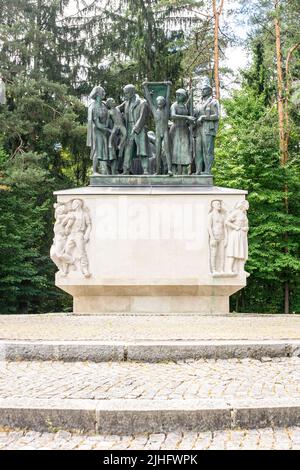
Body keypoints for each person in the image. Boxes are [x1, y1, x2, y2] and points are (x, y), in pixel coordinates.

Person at [143, 82, 173, 176]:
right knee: (158, 152)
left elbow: (168, 97)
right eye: (158, 102)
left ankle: (169, 169)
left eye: (161, 102)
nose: (159, 103)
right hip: (157, 133)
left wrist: (168, 86)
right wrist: (145, 87)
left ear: (164, 103)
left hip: (165, 132)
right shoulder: (154, 110)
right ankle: (157, 171)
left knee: (167, 151)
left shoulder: (166, 110)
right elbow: (149, 99)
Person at [121, 84, 150, 175]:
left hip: (139, 129)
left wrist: (136, 128)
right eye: (124, 93)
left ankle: (145, 170)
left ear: (133, 92)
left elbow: (142, 117)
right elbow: (117, 108)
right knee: (128, 149)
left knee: (142, 150)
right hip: (128, 128)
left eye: (126, 93)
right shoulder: (126, 103)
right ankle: (126, 170)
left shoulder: (142, 102)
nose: (125, 95)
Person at [194, 77, 220, 175]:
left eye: (204, 89)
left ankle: (208, 170)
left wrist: (204, 117)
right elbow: (195, 113)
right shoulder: (198, 103)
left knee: (207, 150)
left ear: (209, 90)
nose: (202, 91)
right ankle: (198, 170)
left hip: (208, 129)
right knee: (198, 150)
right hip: (198, 129)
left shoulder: (213, 102)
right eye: (201, 89)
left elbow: (216, 116)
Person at [87, 85, 113, 175]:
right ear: (98, 94)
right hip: (97, 131)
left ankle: (104, 171)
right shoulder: (93, 107)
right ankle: (94, 171)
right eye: (103, 92)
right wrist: (109, 130)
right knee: (97, 150)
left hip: (104, 131)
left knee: (104, 151)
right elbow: (97, 124)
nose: (104, 94)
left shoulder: (104, 105)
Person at [170, 88, 195, 175]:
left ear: (184, 97)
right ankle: (175, 170)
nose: (177, 97)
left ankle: (184, 170)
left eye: (179, 95)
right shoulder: (174, 105)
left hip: (184, 130)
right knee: (175, 150)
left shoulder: (185, 106)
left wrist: (190, 121)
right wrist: (187, 117)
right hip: (176, 130)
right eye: (176, 95)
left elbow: (188, 118)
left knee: (185, 150)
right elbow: (173, 116)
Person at [64, 200, 92, 278]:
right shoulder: (71, 214)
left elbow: (89, 225)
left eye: (74, 204)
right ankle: (65, 269)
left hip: (79, 234)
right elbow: (63, 222)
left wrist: (87, 234)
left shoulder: (85, 214)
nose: (72, 205)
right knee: (67, 251)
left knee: (82, 252)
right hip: (71, 234)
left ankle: (85, 269)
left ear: (78, 204)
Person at [225, 200, 249, 274]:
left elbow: (245, 224)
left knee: (242, 252)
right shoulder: (236, 212)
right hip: (236, 234)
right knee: (233, 251)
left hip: (242, 235)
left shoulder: (244, 213)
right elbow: (227, 221)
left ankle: (241, 270)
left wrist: (246, 228)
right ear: (242, 205)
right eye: (247, 204)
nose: (248, 206)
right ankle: (229, 269)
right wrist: (235, 227)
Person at [106, 97, 127, 170]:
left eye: (113, 100)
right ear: (109, 104)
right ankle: (109, 145)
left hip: (121, 125)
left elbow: (123, 104)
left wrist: (127, 100)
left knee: (125, 134)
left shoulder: (118, 108)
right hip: (116, 125)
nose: (114, 101)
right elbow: (107, 121)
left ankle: (120, 145)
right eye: (112, 101)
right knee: (112, 135)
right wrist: (107, 128)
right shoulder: (109, 112)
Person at [208, 200, 227, 275]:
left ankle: (221, 269)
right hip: (214, 236)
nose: (219, 205)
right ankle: (214, 270)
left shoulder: (222, 215)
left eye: (220, 204)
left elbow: (225, 227)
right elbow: (209, 227)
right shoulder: (211, 215)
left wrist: (226, 238)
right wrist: (212, 238)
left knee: (222, 254)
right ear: (213, 205)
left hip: (222, 236)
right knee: (214, 254)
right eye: (218, 204)